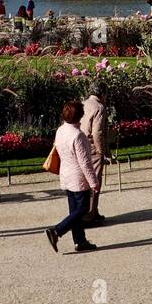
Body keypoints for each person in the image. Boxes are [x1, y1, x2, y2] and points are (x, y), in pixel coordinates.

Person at [45, 101, 100, 253]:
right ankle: (56, 231)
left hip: (66, 175)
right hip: (78, 178)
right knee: (83, 209)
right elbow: (85, 163)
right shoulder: (78, 136)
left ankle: (80, 240)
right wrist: (94, 182)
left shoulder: (61, 130)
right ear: (80, 116)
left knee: (74, 211)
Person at [80, 87, 109, 225]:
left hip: (82, 144)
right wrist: (101, 151)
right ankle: (90, 215)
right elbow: (97, 133)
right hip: (93, 147)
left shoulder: (84, 103)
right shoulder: (100, 107)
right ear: (102, 94)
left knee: (86, 180)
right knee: (95, 181)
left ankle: (93, 211)